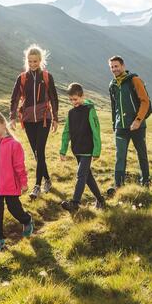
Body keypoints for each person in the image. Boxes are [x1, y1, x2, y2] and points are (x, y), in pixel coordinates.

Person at [9, 44, 59, 199]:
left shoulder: (46, 77)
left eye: (35, 61)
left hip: (44, 118)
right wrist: (12, 117)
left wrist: (56, 118)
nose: (32, 64)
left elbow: (54, 97)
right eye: (30, 61)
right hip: (29, 119)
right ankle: (48, 180)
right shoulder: (22, 78)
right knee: (37, 153)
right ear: (27, 61)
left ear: (40, 61)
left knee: (40, 150)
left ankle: (37, 186)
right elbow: (15, 98)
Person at [0, 111, 34, 252]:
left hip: (10, 185)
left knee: (14, 209)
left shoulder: (14, 145)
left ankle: (27, 220)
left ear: (4, 124)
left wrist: (23, 183)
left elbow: (19, 167)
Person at [107, 55, 151, 197]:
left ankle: (145, 182)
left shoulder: (134, 80)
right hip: (121, 127)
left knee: (141, 154)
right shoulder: (112, 85)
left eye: (116, 66)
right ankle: (119, 186)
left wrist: (138, 120)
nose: (114, 69)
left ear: (123, 66)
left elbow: (145, 101)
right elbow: (114, 108)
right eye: (112, 67)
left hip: (137, 125)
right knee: (120, 156)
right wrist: (115, 125)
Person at [58, 83, 106, 212]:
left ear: (82, 96)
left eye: (76, 99)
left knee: (80, 175)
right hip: (77, 149)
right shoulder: (71, 113)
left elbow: (96, 130)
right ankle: (101, 200)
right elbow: (66, 132)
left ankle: (75, 203)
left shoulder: (90, 110)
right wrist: (63, 150)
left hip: (88, 149)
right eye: (71, 100)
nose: (74, 102)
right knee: (87, 176)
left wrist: (96, 151)